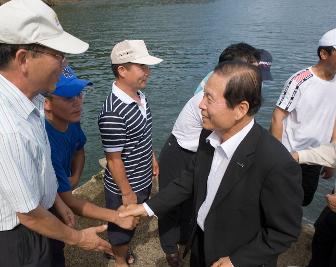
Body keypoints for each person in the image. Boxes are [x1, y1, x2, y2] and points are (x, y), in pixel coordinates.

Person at [0, 1, 111, 266]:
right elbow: (28, 215)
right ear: (23, 59)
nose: (64, 65)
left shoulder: (30, 97)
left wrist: (55, 202)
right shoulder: (5, 130)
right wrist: (79, 238)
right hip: (15, 236)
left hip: (38, 213)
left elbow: (38, 166)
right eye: (59, 55)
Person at [120, 61, 303, 267]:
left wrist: (237, 261)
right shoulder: (209, 134)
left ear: (240, 109)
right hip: (201, 243)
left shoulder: (276, 163)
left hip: (236, 256)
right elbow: (189, 179)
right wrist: (146, 208)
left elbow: (284, 231)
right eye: (204, 94)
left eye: (209, 98)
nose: (201, 104)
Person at [158, 43, 271, 267]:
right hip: (180, 150)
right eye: (252, 70)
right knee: (174, 204)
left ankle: (185, 240)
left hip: (199, 149)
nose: (256, 79)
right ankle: (171, 250)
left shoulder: (226, 96)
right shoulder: (214, 104)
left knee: (193, 202)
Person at [44, 65, 139, 266]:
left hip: (57, 190)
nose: (78, 102)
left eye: (80, 94)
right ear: (46, 103)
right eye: (69, 98)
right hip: (38, 205)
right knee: (49, 251)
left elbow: (79, 149)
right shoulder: (46, 142)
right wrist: (117, 216)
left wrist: (76, 176)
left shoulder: (71, 120)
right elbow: (69, 200)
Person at [98, 40, 162, 267]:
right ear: (122, 70)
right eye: (142, 67)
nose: (148, 72)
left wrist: (152, 157)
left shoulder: (141, 97)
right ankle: (119, 259)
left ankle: (119, 250)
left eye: (147, 67)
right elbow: (113, 160)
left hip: (142, 177)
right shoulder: (113, 113)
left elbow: (143, 135)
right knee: (122, 227)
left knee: (130, 225)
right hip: (126, 185)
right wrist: (127, 194)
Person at [270, 28, 336, 206]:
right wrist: (276, 157)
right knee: (278, 200)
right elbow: (277, 117)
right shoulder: (299, 81)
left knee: (303, 200)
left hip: (316, 157)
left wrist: (331, 160)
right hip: (290, 155)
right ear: (324, 53)